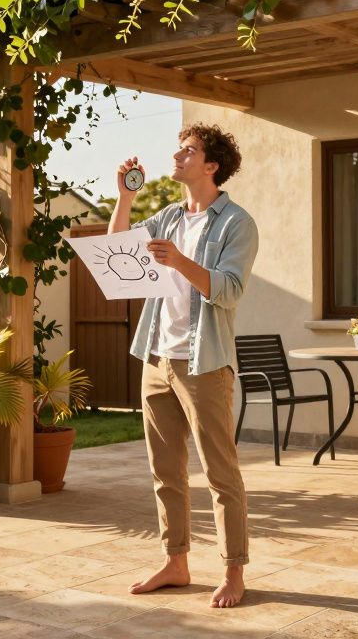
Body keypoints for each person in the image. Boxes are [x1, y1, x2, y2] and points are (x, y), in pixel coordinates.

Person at [107, 123, 258, 609]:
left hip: (204, 363)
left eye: (188, 151)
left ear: (211, 165)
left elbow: (229, 290)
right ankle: (176, 561)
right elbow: (115, 252)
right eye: (178, 148)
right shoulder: (169, 216)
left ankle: (234, 572)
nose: (177, 155)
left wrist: (178, 262)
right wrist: (125, 200)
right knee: (164, 470)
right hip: (156, 357)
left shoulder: (237, 223)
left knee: (220, 473)